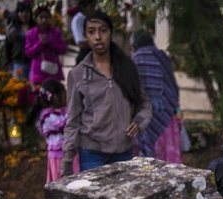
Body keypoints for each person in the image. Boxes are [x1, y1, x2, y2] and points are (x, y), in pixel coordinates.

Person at [61, 11, 152, 176]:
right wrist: (67, 161)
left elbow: (145, 104)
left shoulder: (127, 68)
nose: (97, 36)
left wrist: (139, 121)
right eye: (91, 31)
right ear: (85, 36)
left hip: (124, 152)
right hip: (92, 154)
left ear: (111, 33)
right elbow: (72, 121)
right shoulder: (77, 74)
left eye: (103, 30)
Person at [131, 30, 182, 164]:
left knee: (148, 155)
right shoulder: (161, 56)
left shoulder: (135, 59)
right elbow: (172, 85)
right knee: (167, 154)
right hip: (166, 113)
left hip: (144, 115)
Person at [26, 79, 79, 183]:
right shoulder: (46, 116)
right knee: (61, 182)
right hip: (58, 156)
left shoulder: (65, 110)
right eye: (64, 94)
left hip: (72, 152)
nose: (66, 96)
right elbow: (67, 125)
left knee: (76, 181)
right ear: (54, 97)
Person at [24, 5, 68, 86]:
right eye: (41, 17)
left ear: (50, 19)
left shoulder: (56, 32)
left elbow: (63, 49)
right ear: (36, 19)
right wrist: (40, 43)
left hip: (54, 74)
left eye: (47, 17)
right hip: (38, 75)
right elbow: (28, 52)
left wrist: (50, 42)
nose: (44, 20)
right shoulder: (31, 33)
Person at [4, 1, 34, 79]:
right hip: (18, 63)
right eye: (21, 12)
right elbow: (7, 48)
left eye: (27, 12)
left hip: (34, 64)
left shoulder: (35, 28)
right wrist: (8, 65)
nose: (24, 14)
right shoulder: (12, 29)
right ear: (17, 13)